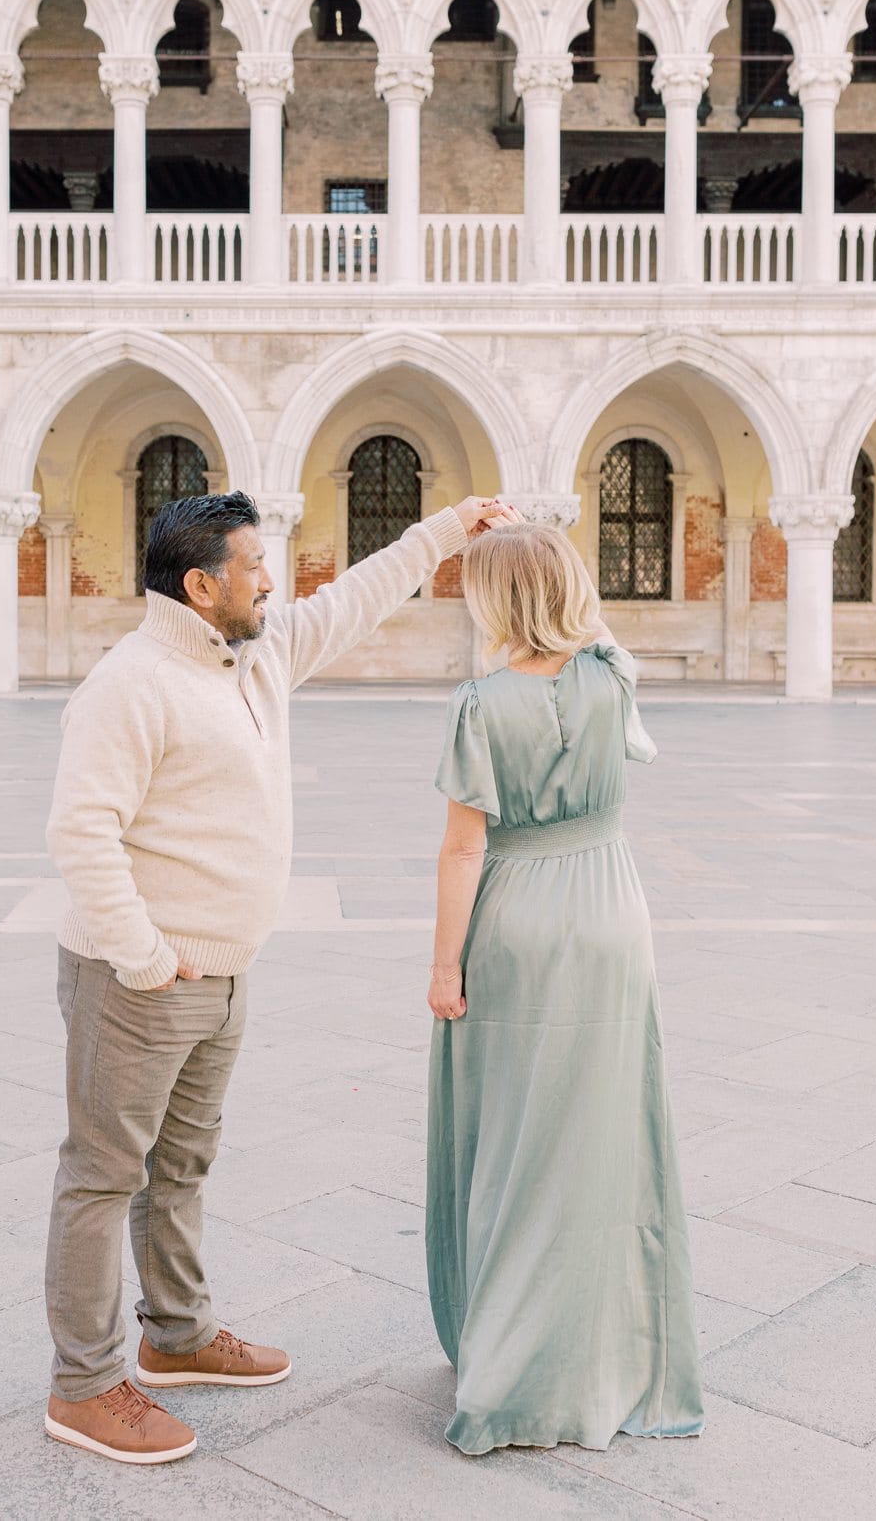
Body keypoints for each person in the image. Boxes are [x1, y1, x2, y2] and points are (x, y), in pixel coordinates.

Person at [42, 486, 501, 1465]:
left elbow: (360, 596)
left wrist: (449, 528)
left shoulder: (258, 653)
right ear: (203, 585)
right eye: (255, 567)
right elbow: (81, 833)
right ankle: (84, 1386)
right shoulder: (131, 684)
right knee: (102, 1175)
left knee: (183, 1166)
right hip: (139, 983)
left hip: (224, 973)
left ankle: (176, 1335)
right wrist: (147, 956)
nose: (273, 581)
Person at [425, 518, 704, 1455]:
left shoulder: (478, 702)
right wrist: (559, 581)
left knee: (513, 1143)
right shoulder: (612, 679)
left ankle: (507, 1366)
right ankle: (605, 1356)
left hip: (517, 922)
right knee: (608, 1141)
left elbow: (465, 846)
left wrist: (443, 963)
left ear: (493, 599)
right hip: (612, 921)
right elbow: (605, 643)